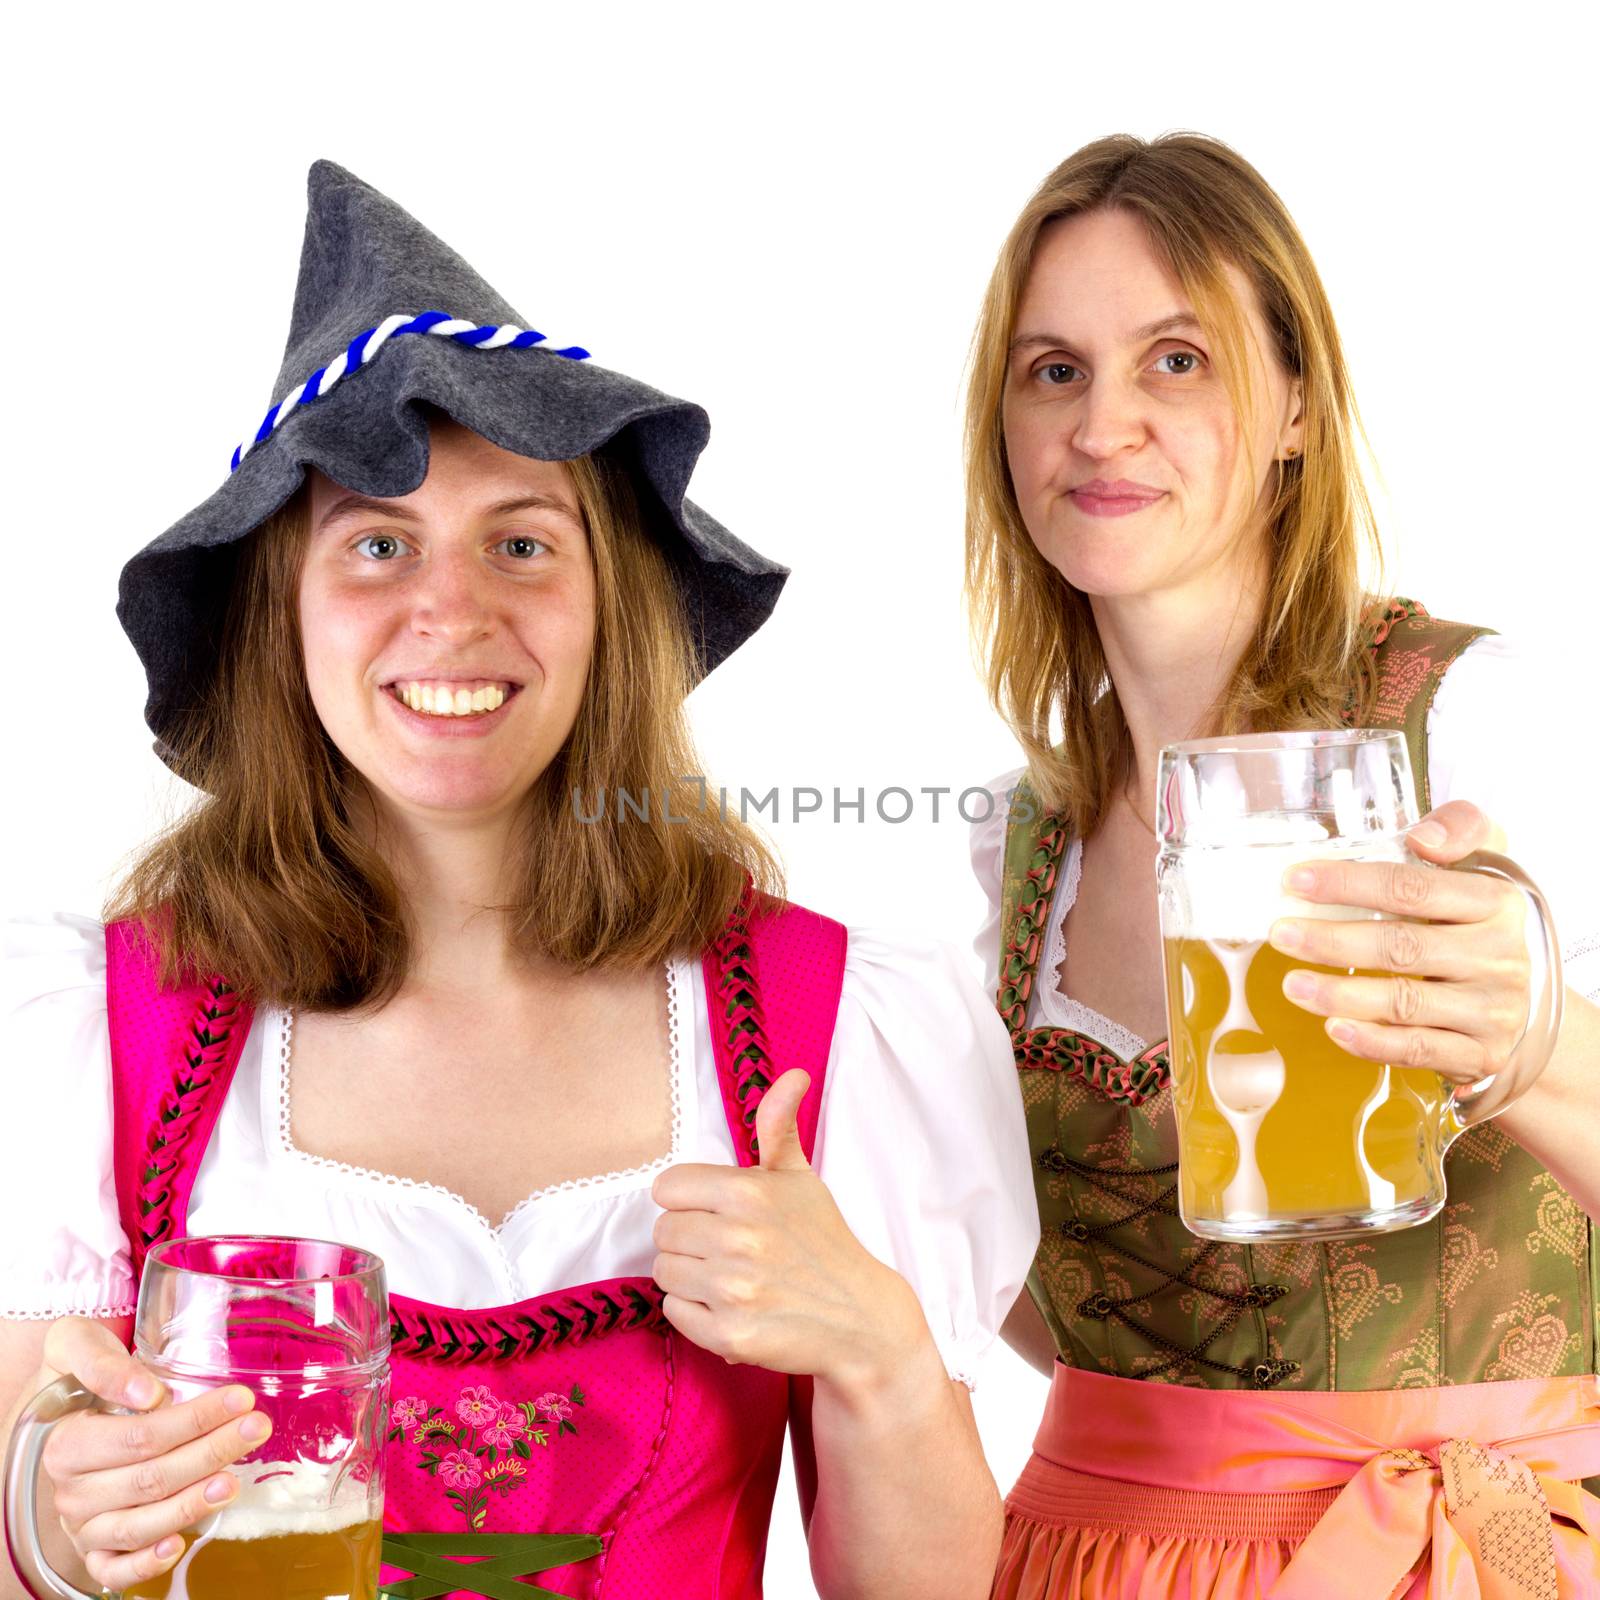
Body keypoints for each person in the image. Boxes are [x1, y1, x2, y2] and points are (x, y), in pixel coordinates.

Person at [0, 161, 1038, 1600]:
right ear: (281, 613)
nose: (451, 611)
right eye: (376, 542)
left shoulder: (821, 1025)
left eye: (522, 543)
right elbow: (22, 1528)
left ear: (608, 605)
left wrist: (877, 1348)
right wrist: (56, 1526)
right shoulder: (105, 1031)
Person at [961, 133, 1600, 1597]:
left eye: (1176, 361)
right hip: (1091, 1559)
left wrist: (1535, 1039)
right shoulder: (1011, 840)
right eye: (1052, 370)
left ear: (1296, 402)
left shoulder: (1496, 726)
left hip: (1457, 1554)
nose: (1104, 425)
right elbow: (1030, 1308)